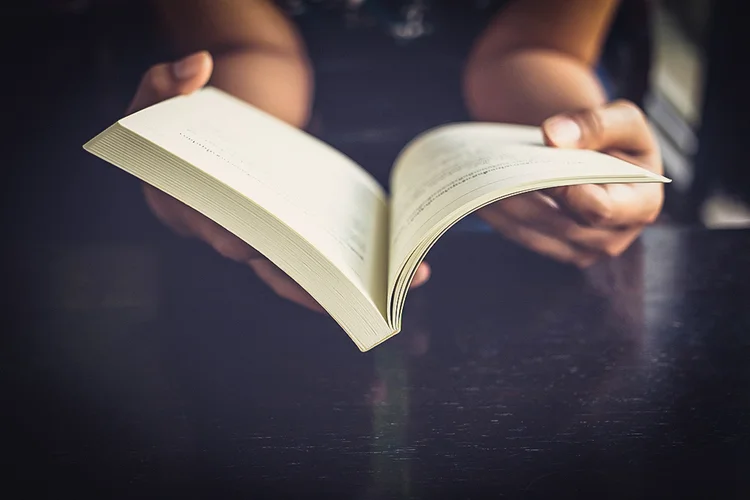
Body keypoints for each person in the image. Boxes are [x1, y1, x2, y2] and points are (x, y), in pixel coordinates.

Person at [125, 0, 663, 311]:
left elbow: (539, 46)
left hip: (509, 227)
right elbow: (250, 48)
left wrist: (581, 153)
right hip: (287, 209)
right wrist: (215, 154)